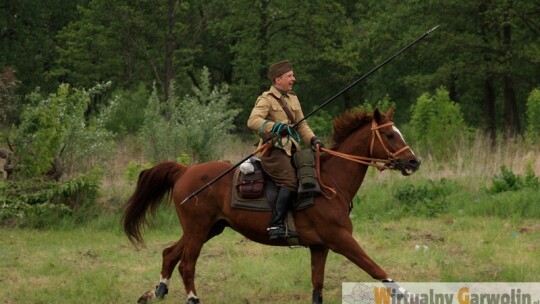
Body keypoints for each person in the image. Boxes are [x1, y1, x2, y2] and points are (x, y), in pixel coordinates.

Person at [247, 60, 324, 240]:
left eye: (292, 75)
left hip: (294, 149)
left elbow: (302, 125)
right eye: (289, 76)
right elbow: (252, 121)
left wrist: (313, 139)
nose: (293, 79)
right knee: (290, 182)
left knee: (310, 175)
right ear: (278, 79)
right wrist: (275, 127)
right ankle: (276, 225)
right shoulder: (266, 99)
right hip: (274, 151)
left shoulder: (293, 99)